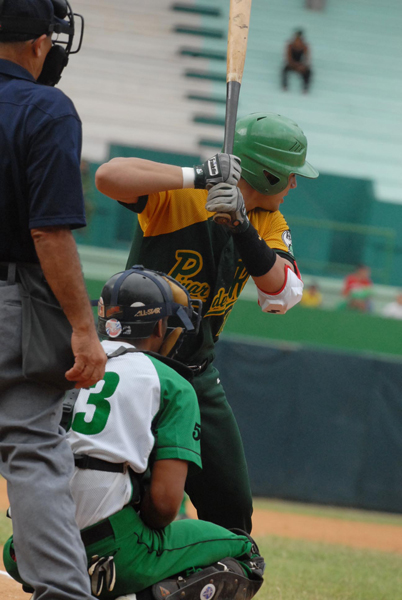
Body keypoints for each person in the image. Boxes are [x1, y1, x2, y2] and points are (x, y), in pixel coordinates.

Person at [94, 112, 319, 535]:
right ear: (268, 174)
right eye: (289, 176)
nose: (293, 185)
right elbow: (107, 176)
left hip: (197, 375)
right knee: (133, 495)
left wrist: (241, 226)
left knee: (232, 507)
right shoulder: (180, 196)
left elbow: (283, 294)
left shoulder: (268, 222)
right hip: (136, 368)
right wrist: (196, 175)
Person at [4, 266, 265, 600]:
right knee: (245, 551)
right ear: (159, 325)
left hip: (26, 549)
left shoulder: (65, 359)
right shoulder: (171, 383)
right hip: (113, 549)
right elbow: (166, 505)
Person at [0, 1, 106, 599]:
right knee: (33, 448)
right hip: (14, 298)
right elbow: (50, 231)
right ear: (42, 44)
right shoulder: (45, 108)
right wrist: (83, 329)